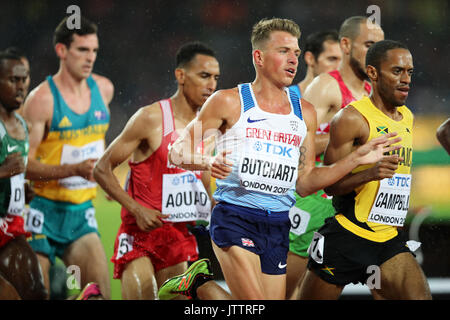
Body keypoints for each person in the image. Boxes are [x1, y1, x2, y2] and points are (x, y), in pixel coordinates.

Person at [159, 18, 402, 300]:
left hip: (278, 224)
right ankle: (201, 286)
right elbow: (177, 150)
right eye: (283, 51)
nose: (293, 60)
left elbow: (306, 182)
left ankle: (199, 286)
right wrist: (205, 162)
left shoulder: (305, 113)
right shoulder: (228, 102)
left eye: (296, 53)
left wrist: (357, 157)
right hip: (235, 216)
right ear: (259, 57)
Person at [299, 40, 432, 300]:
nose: (405, 79)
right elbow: (331, 185)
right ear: (373, 73)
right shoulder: (351, 119)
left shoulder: (407, 117)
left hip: (387, 238)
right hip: (347, 236)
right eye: (396, 71)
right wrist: (369, 173)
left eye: (409, 72)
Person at [93, 42, 221, 300]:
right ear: (181, 76)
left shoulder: (209, 129)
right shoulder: (151, 118)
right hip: (140, 236)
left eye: (216, 78)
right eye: (204, 76)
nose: (212, 85)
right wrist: (136, 209)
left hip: (179, 238)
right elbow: (102, 169)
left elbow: (202, 184)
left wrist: (217, 207)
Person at [286, 17, 385, 299]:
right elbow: (293, 146)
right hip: (312, 202)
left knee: (390, 285)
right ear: (346, 46)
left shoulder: (371, 92)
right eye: (369, 45)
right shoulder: (325, 87)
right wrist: (347, 139)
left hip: (352, 205)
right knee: (284, 293)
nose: (375, 53)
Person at [21, 16, 114, 299]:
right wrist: (71, 169)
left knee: (99, 295)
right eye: (82, 50)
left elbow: (97, 141)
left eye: (94, 51)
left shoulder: (104, 90)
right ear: (61, 51)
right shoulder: (41, 101)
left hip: (80, 215)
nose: (90, 58)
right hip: (39, 212)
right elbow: (22, 167)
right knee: (38, 295)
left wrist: (106, 177)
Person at [285, 29, 341, 299]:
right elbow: (291, 146)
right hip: (297, 201)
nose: (338, 67)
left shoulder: (346, 101)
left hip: (333, 206)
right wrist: (341, 139)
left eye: (342, 59)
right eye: (332, 59)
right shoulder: (288, 99)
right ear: (309, 58)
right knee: (281, 290)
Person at [0, 50, 47, 300]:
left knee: (35, 291)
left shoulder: (21, 125)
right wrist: (3, 172)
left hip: (9, 226)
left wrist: (19, 190)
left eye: (24, 79)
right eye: (12, 80)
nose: (20, 87)